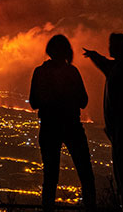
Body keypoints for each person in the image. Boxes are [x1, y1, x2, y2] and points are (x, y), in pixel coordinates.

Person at [30, 34, 96, 212]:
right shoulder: (72, 72)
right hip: (72, 126)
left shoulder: (40, 72)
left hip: (49, 128)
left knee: (50, 176)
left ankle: (48, 208)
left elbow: (33, 102)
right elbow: (83, 101)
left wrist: (49, 101)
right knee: (86, 174)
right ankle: (91, 207)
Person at [84, 33, 123, 212]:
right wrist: (94, 56)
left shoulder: (121, 72)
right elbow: (105, 64)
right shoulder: (120, 68)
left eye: (112, 44)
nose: (109, 46)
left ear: (119, 48)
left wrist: (117, 128)